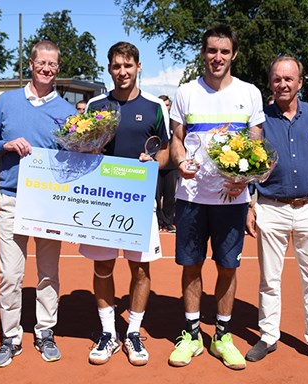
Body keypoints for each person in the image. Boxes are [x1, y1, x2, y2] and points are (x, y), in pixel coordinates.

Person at [168, 24, 264, 370]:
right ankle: (192, 335)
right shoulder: (185, 93)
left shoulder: (250, 93)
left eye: (224, 51)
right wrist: (180, 162)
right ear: (203, 53)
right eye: (211, 51)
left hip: (231, 200)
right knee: (191, 267)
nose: (217, 57)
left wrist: (246, 180)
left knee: (227, 267)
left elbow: (255, 144)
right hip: (192, 197)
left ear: (233, 54)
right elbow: (176, 138)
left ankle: (222, 336)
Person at [245, 55, 308, 371]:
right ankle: (268, 335)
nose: (283, 84)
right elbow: (250, 165)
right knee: (269, 280)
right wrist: (251, 204)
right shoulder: (259, 119)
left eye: (289, 79)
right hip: (270, 208)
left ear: (300, 83)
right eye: (277, 79)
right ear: (270, 83)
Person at [0, 40, 77, 368]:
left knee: (48, 272)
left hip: (49, 203)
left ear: (58, 68)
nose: (47, 69)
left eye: (52, 64)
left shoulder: (66, 111)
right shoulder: (7, 102)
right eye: (42, 63)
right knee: (10, 274)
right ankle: (10, 337)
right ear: (31, 64)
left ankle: (45, 331)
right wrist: (6, 144)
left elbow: (74, 161)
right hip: (11, 200)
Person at [80, 41, 170, 366]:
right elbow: (82, 148)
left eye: (128, 66)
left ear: (138, 67)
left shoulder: (156, 106)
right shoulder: (95, 106)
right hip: (102, 203)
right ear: (109, 69)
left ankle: (133, 332)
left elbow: (166, 152)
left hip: (140, 203)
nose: (122, 72)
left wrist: (153, 161)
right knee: (102, 267)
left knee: (140, 269)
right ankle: (108, 333)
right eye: (116, 66)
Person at [156, 95, 178, 232]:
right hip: (157, 164)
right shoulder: (155, 121)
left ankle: (169, 221)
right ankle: (158, 221)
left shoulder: (174, 122)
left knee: (170, 196)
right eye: (163, 105)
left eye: (167, 105)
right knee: (156, 196)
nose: (166, 107)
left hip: (171, 165)